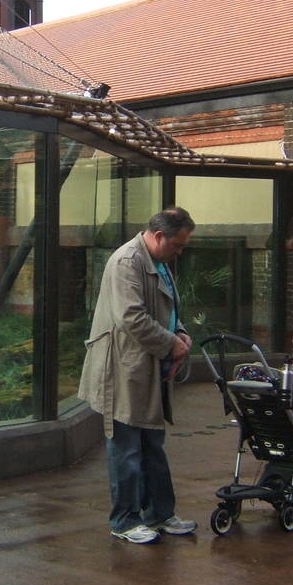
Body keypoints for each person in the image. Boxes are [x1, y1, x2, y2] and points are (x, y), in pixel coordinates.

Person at [78, 206, 198, 544]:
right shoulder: (127, 261)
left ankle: (160, 514)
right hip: (123, 369)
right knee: (126, 448)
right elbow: (131, 317)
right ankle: (125, 521)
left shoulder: (158, 260)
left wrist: (182, 333)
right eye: (178, 245)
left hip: (146, 367)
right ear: (159, 236)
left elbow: (169, 308)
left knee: (151, 445)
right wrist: (171, 342)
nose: (180, 252)